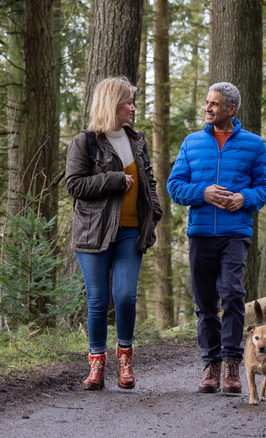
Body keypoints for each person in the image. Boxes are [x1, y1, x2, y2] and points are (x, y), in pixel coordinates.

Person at [167, 82, 266, 394]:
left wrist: (244, 198)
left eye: (214, 104)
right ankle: (210, 364)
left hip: (235, 233)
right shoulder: (191, 143)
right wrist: (202, 193)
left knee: (231, 294)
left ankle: (231, 364)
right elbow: (175, 186)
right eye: (207, 102)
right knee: (204, 302)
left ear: (231, 109)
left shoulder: (253, 145)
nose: (207, 108)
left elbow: (265, 187)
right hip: (200, 232)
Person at [65, 76, 162, 391]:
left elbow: (149, 180)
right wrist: (114, 179)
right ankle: (96, 365)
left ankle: (125, 359)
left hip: (130, 232)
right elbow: (74, 185)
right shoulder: (85, 142)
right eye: (129, 102)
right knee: (98, 300)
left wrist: (155, 212)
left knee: (124, 296)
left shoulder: (137, 139)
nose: (133, 108)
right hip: (93, 234)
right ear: (112, 104)